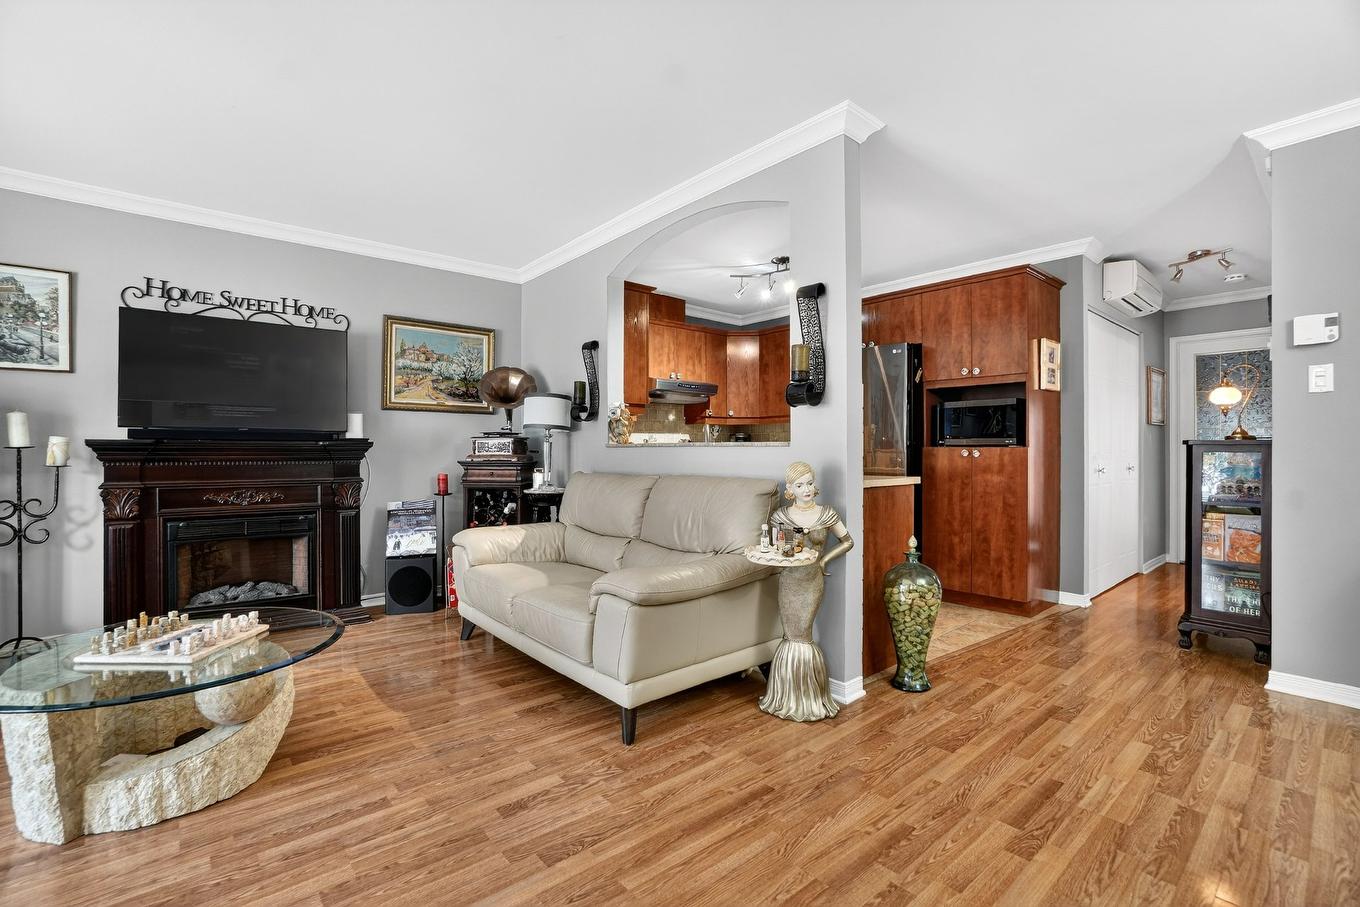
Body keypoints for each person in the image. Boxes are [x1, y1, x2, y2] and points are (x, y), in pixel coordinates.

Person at [759, 461, 854, 721]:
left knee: (803, 634)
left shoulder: (827, 514)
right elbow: (777, 548)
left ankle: (810, 698)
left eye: (810, 483)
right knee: (791, 635)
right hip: (789, 582)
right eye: (800, 485)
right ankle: (784, 697)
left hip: (812, 582)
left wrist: (823, 561)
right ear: (790, 489)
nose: (807, 489)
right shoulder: (781, 517)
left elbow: (848, 541)